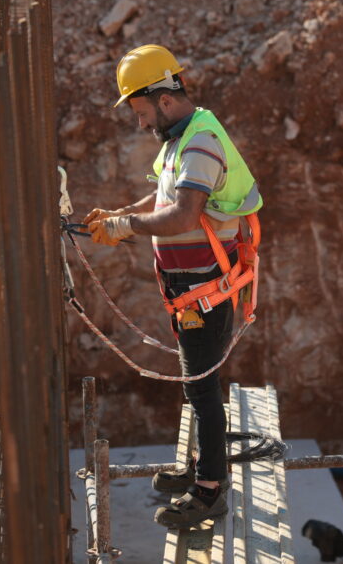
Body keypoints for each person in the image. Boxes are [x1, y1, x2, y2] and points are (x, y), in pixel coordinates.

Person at [84, 43, 262, 529]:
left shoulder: (201, 142)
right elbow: (167, 191)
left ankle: (209, 491)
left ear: (163, 99)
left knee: (203, 390)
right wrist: (124, 215)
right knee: (196, 385)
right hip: (192, 291)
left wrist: (129, 227)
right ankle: (201, 467)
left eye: (142, 112)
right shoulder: (183, 140)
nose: (141, 123)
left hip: (206, 292)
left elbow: (183, 213)